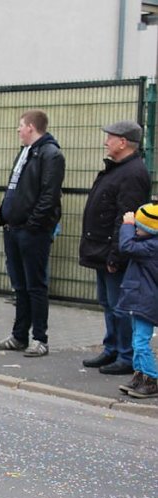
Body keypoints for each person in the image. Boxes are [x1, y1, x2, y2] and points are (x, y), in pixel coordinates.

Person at [0, 109, 65, 357]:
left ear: (31, 127)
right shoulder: (27, 152)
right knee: (20, 286)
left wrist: (33, 224)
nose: (18, 130)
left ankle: (39, 338)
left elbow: (48, 195)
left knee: (35, 286)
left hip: (32, 231)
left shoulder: (50, 154)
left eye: (21, 126)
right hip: (13, 229)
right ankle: (19, 335)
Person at [78, 121, 150, 376]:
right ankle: (112, 348)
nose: (105, 141)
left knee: (120, 306)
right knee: (108, 303)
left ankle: (125, 355)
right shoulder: (117, 169)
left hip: (112, 251)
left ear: (123, 142)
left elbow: (126, 216)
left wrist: (116, 255)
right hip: (101, 247)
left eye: (110, 137)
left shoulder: (132, 173)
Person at [117, 203, 158, 398]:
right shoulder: (148, 243)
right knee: (136, 340)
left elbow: (126, 246)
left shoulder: (152, 246)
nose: (135, 229)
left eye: (138, 227)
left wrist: (126, 225)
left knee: (141, 342)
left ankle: (151, 378)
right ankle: (139, 374)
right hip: (139, 300)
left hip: (146, 301)